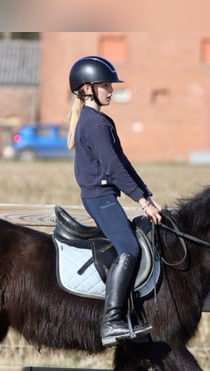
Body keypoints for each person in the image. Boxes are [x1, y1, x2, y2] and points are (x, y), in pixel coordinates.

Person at [66, 55, 163, 347]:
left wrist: (146, 195)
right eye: (106, 85)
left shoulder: (98, 120)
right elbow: (113, 169)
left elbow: (122, 162)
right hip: (100, 197)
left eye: (110, 85)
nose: (111, 90)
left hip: (104, 195)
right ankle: (111, 322)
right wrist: (142, 203)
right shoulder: (94, 124)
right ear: (87, 89)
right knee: (130, 249)